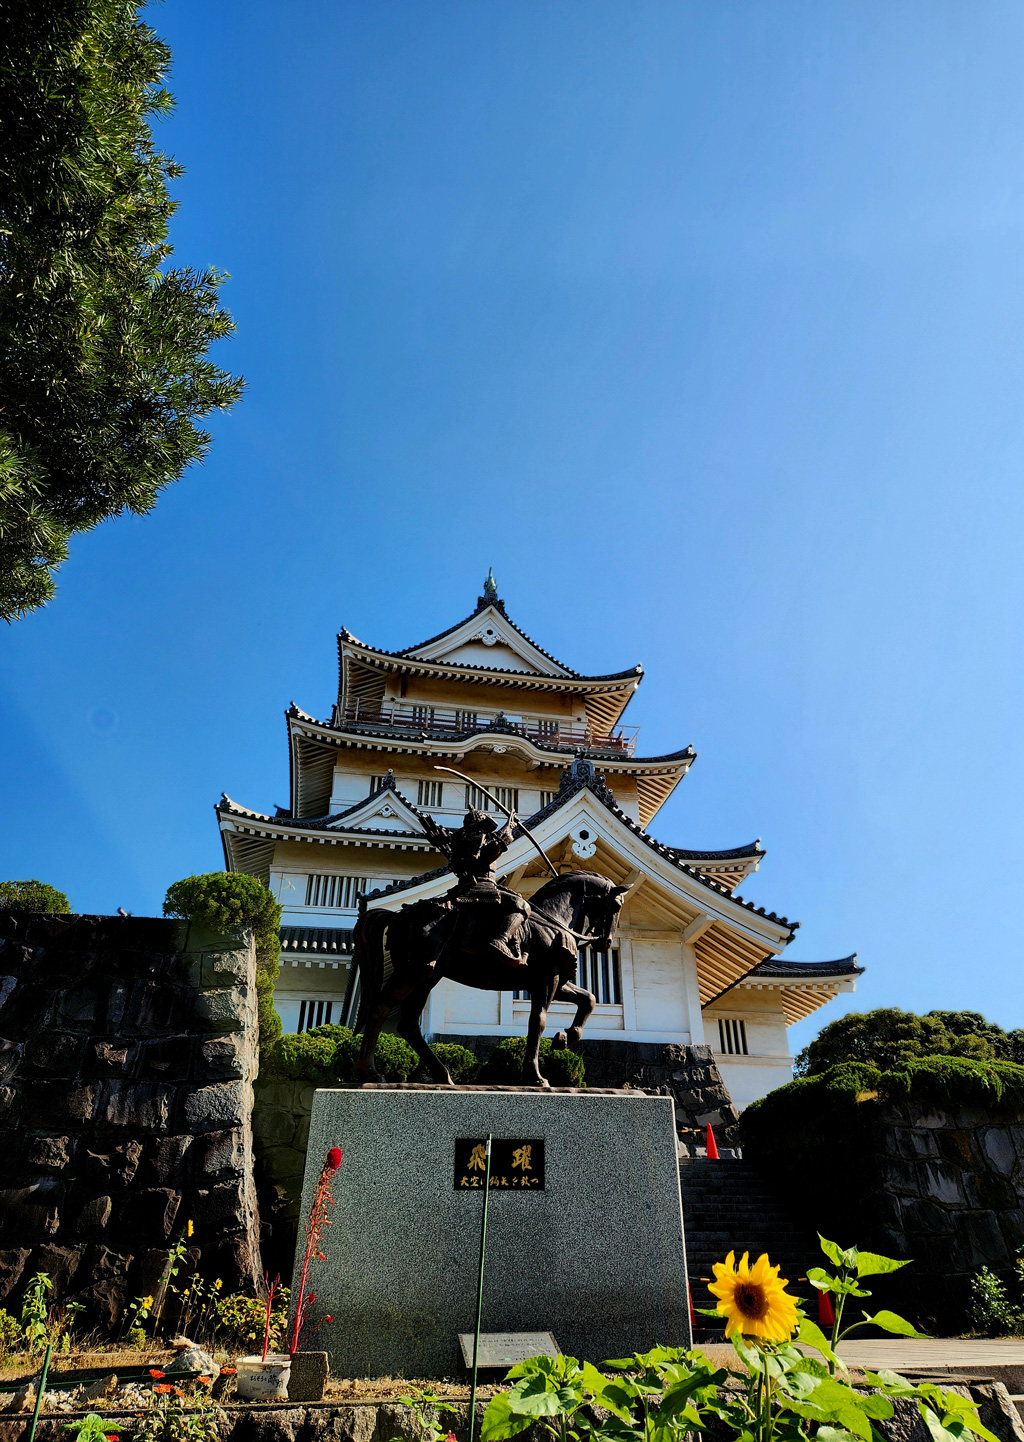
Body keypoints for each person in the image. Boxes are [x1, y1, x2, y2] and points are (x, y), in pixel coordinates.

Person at [421, 808, 530, 969]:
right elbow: (496, 845)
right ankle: (501, 940)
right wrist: (510, 825)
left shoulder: (459, 840)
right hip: (480, 886)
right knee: (521, 905)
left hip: (469, 887)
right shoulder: (476, 839)